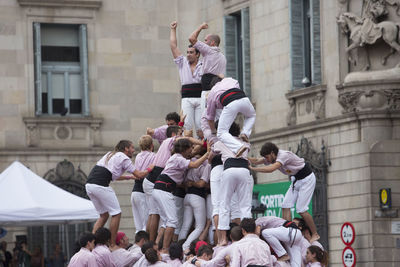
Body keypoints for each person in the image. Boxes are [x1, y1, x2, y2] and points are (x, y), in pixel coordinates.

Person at [250, 142, 320, 243]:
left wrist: (253, 169)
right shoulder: (272, 157)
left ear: (273, 153)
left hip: (307, 179)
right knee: (285, 205)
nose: (267, 160)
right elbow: (256, 160)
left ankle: (315, 234)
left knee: (301, 209)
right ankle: (288, 230)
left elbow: (271, 169)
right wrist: (244, 159)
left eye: (267, 157)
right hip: (296, 180)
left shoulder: (283, 156)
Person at [85, 140, 151, 247]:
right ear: (126, 149)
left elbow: (113, 175)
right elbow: (139, 174)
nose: (134, 150)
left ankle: (90, 242)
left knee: (104, 215)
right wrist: (151, 167)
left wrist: (128, 177)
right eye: (132, 148)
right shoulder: (124, 158)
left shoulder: (110, 154)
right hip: (100, 185)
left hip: (89, 185)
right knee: (116, 213)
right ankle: (112, 244)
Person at [152, 138, 211, 253]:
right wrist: (207, 153)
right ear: (185, 148)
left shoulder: (177, 158)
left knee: (167, 222)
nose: (192, 150)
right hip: (164, 189)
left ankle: (158, 246)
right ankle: (165, 249)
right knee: (172, 221)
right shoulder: (178, 158)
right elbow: (194, 165)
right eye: (191, 147)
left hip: (161, 189)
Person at [212, 123, 253, 246]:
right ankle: (248, 236)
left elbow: (212, 152)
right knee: (245, 206)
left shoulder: (221, 142)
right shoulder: (245, 143)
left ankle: (223, 239)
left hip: (229, 170)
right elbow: (248, 146)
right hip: (244, 170)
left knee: (224, 204)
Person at [206, 76, 255, 156]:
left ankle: (239, 147)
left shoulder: (212, 92)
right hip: (244, 99)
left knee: (221, 133)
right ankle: (245, 133)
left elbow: (210, 118)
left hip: (230, 102)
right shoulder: (230, 80)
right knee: (251, 116)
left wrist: (214, 132)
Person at [170, 21, 203, 137]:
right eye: (187, 52)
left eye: (191, 53)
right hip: (187, 98)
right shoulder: (182, 62)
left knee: (201, 126)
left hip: (200, 97)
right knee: (187, 126)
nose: (188, 54)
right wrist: (173, 30)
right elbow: (173, 46)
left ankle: (202, 149)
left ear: (197, 54)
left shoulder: (203, 64)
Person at [188, 22, 226, 115]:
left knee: (205, 116)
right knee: (217, 116)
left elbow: (191, 38)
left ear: (212, 43)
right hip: (219, 88)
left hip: (208, 89)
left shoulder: (209, 50)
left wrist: (200, 27)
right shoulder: (222, 57)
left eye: (205, 40)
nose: (204, 43)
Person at [178, 145, 211, 252]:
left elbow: (183, 181)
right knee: (200, 226)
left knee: (185, 226)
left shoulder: (189, 161)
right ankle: (185, 246)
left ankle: (179, 246)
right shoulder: (206, 164)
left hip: (187, 196)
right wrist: (195, 183)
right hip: (197, 196)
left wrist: (190, 183)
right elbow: (202, 184)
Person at [131, 135, 155, 233]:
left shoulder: (138, 156)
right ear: (152, 145)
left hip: (135, 191)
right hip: (143, 192)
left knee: (138, 226)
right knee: (145, 225)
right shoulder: (154, 156)